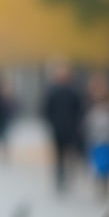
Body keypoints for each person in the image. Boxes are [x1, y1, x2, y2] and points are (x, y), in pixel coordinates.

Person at [44, 63, 83, 191]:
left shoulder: (54, 92)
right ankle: (64, 177)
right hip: (66, 127)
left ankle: (62, 177)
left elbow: (47, 110)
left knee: (62, 155)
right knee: (66, 155)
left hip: (61, 127)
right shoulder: (72, 92)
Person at [83, 74, 109, 196]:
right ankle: (100, 183)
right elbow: (87, 125)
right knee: (97, 164)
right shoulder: (90, 107)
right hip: (96, 140)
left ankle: (105, 184)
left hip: (108, 140)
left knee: (107, 164)